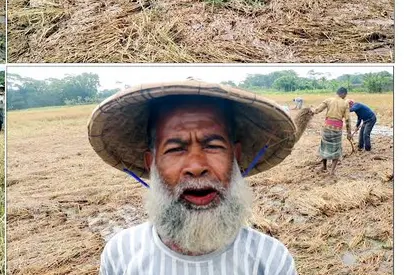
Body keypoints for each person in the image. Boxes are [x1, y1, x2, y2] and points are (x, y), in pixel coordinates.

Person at [89, 81, 298, 274]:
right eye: (175, 149)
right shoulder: (120, 255)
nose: (196, 167)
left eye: (213, 146)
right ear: (151, 163)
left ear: (235, 157)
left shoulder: (271, 261)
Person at [310, 87, 352, 175]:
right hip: (337, 129)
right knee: (336, 149)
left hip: (327, 128)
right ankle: (332, 171)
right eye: (345, 95)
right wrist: (349, 133)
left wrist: (310, 111)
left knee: (324, 146)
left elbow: (317, 110)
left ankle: (324, 166)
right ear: (343, 94)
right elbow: (348, 120)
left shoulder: (328, 100)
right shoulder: (345, 104)